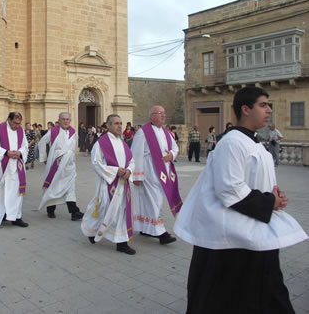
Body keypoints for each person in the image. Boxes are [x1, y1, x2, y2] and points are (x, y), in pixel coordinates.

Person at [174, 86, 307, 314]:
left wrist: (276, 197)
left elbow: (253, 181)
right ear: (245, 109)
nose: (269, 110)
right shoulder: (232, 142)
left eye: (270, 105)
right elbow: (229, 188)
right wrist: (269, 202)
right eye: (263, 105)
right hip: (232, 238)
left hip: (254, 229)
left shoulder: (253, 142)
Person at [81, 114, 136, 255]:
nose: (119, 126)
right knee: (104, 208)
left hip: (123, 183)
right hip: (108, 183)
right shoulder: (101, 143)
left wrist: (129, 170)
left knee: (120, 210)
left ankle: (121, 242)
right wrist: (115, 171)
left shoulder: (122, 142)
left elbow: (132, 160)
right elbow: (95, 163)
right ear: (108, 125)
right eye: (116, 123)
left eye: (121, 123)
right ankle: (91, 230)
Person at [131, 106, 180, 244]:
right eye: (160, 113)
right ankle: (161, 232)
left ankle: (145, 228)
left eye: (164, 113)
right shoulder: (143, 132)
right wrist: (137, 175)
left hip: (163, 172)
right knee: (155, 200)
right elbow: (136, 153)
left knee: (151, 200)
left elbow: (175, 148)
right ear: (151, 116)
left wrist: (171, 154)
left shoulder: (166, 132)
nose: (163, 116)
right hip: (149, 172)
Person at [0, 112, 29, 227]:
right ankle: (0, 214)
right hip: (1, 165)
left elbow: (25, 145)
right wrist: (6, 152)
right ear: (9, 119)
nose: (16, 126)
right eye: (14, 123)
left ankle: (17, 217)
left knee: (17, 191)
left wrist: (20, 152)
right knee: (1, 191)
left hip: (16, 166)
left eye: (19, 123)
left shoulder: (20, 130)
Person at [38, 112, 84, 221]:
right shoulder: (53, 131)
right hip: (56, 162)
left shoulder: (73, 132)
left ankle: (74, 212)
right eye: (63, 119)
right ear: (59, 120)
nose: (65, 121)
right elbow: (42, 142)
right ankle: (50, 209)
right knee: (53, 185)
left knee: (70, 187)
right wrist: (44, 158)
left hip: (69, 164)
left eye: (67, 119)